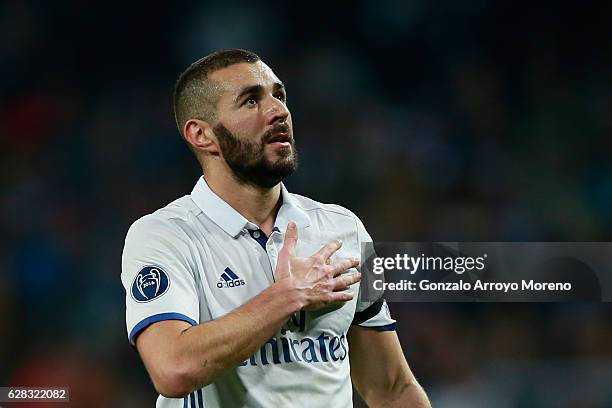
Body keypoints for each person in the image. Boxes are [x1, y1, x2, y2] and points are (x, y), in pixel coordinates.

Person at [121, 49, 430, 408]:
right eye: (251, 101)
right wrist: (287, 297)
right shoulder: (166, 236)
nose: (278, 111)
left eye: (279, 96)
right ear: (201, 135)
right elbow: (173, 368)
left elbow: (391, 388)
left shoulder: (342, 229)